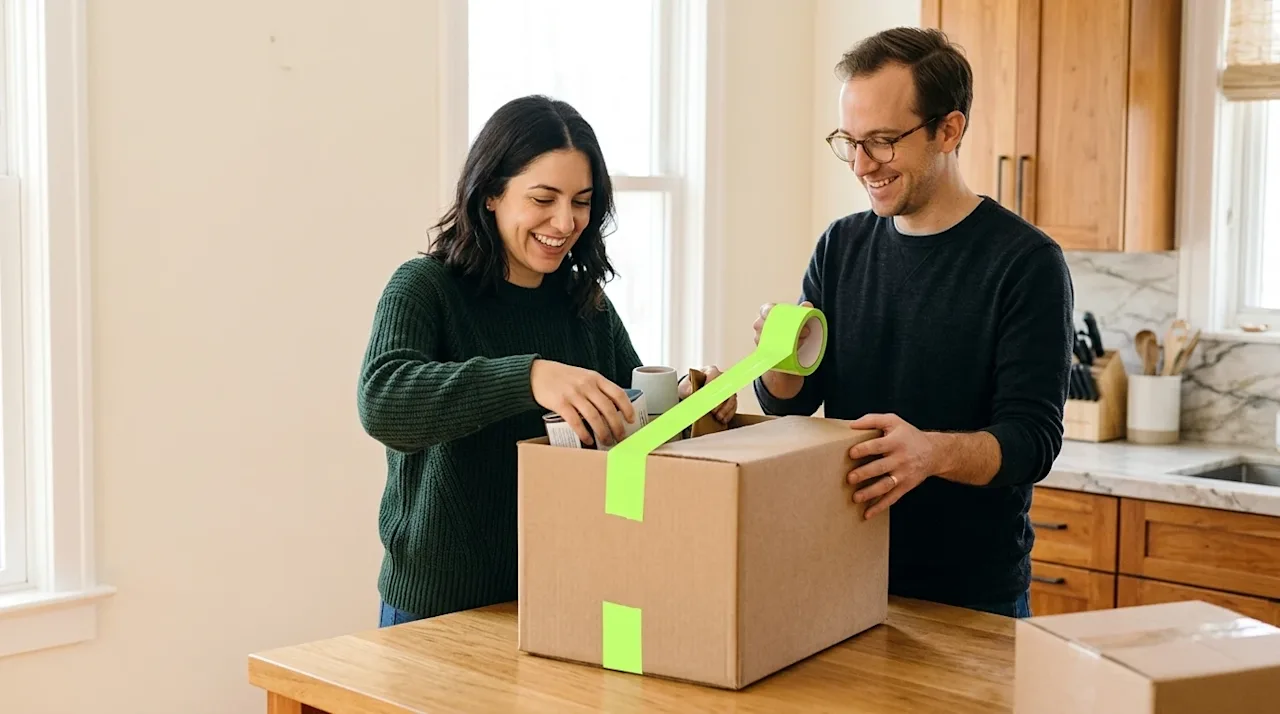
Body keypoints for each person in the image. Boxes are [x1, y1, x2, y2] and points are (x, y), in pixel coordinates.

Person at [358, 95, 737, 627]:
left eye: (581, 201)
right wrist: (530, 376)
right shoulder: (425, 288)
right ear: (491, 192)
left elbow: (630, 422)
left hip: (564, 590)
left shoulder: (585, 306)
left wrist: (688, 407)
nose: (565, 221)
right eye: (543, 198)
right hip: (436, 607)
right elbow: (383, 402)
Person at [752, 28, 1073, 618]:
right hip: (842, 573)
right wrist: (777, 362)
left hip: (971, 598)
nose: (860, 164)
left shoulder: (1026, 264)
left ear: (948, 130)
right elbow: (792, 406)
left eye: (880, 141)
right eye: (848, 142)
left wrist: (931, 453)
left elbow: (1033, 441)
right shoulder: (840, 247)